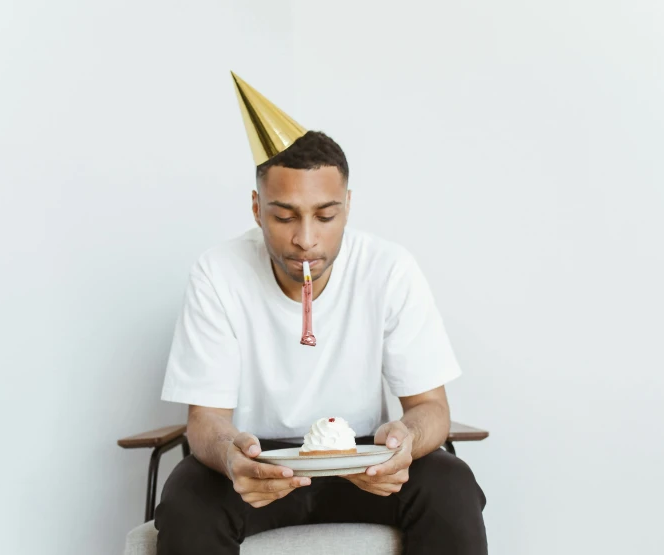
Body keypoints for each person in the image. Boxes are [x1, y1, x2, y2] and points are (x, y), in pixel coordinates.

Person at [155, 73, 487, 555]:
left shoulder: (389, 269)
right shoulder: (218, 273)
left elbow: (430, 409)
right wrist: (231, 455)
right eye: (284, 216)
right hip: (262, 463)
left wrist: (404, 441)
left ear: (348, 208)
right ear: (256, 208)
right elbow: (205, 419)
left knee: (451, 483)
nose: (305, 239)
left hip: (363, 460)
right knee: (188, 497)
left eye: (325, 216)